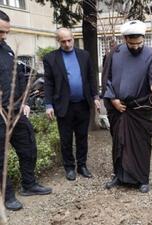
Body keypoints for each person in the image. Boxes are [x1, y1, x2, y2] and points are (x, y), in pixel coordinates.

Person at [0, 9, 52, 211]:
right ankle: (7, 195)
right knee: (1, 157)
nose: (4, 36)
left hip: (15, 110)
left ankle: (29, 184)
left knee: (28, 145)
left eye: (6, 32)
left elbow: (19, 77)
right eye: (0, 32)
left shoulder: (7, 50)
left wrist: (25, 101)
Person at [102, 20, 152, 193]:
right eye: (131, 43)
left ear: (143, 39)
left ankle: (142, 179)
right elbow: (106, 78)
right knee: (118, 143)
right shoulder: (114, 53)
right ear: (124, 39)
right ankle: (119, 176)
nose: (136, 47)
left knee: (141, 144)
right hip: (118, 108)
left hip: (140, 108)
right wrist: (112, 99)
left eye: (139, 43)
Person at [43, 28, 100, 181]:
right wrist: (48, 104)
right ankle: (69, 167)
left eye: (69, 40)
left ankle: (82, 165)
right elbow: (48, 83)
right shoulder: (51, 58)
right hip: (63, 106)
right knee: (66, 139)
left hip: (82, 104)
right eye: (63, 41)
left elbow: (91, 77)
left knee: (82, 137)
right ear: (58, 41)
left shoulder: (84, 55)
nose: (67, 44)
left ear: (73, 38)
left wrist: (95, 96)